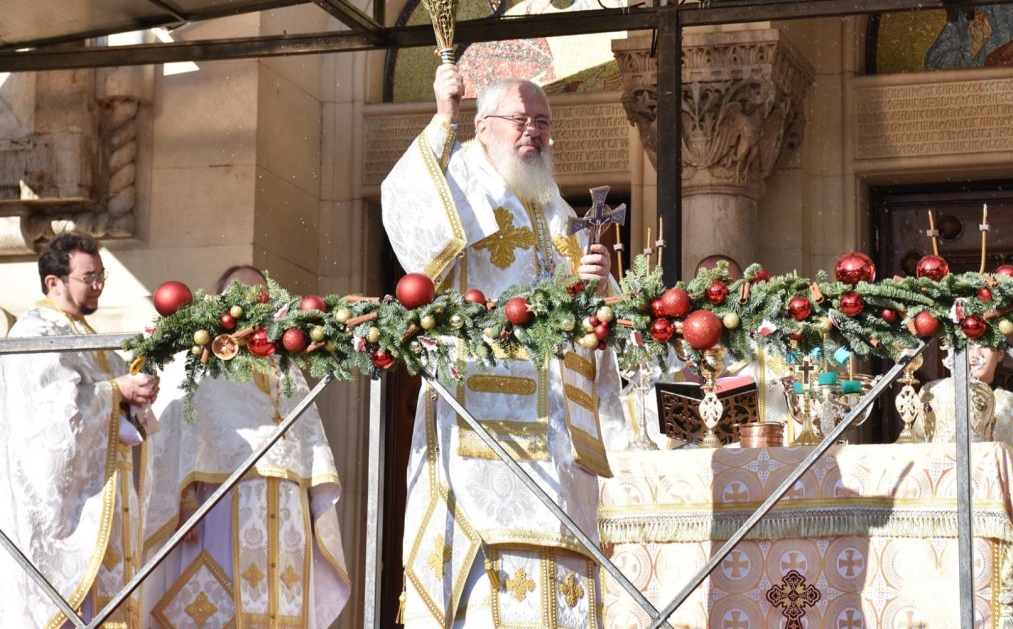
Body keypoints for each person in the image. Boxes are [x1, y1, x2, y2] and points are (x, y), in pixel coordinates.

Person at [381, 65, 628, 628]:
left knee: (560, 564)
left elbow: (582, 318)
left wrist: (596, 284)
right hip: (484, 415)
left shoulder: (555, 207)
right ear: (484, 126)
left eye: (543, 122)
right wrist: (443, 119)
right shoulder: (459, 176)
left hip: (559, 434)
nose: (532, 132)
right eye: (520, 119)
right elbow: (411, 221)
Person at [141, 265, 350, 629]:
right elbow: (178, 431)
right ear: (221, 302)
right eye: (241, 294)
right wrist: (184, 502)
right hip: (221, 504)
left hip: (287, 509)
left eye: (260, 296)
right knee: (222, 606)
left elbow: (309, 439)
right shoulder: (203, 358)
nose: (251, 303)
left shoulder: (285, 364)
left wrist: (313, 503)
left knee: (282, 606)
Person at [0, 231, 159, 627]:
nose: (99, 285)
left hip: (110, 499)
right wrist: (117, 391)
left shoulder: (90, 337)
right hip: (71, 512)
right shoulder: (35, 332)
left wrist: (138, 395)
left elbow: (116, 397)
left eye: (102, 275)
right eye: (89, 277)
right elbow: (54, 414)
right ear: (53, 281)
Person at [911, 344, 1013, 456]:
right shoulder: (934, 394)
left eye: (984, 346)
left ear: (1000, 353)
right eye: (969, 346)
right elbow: (916, 451)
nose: (976, 355)